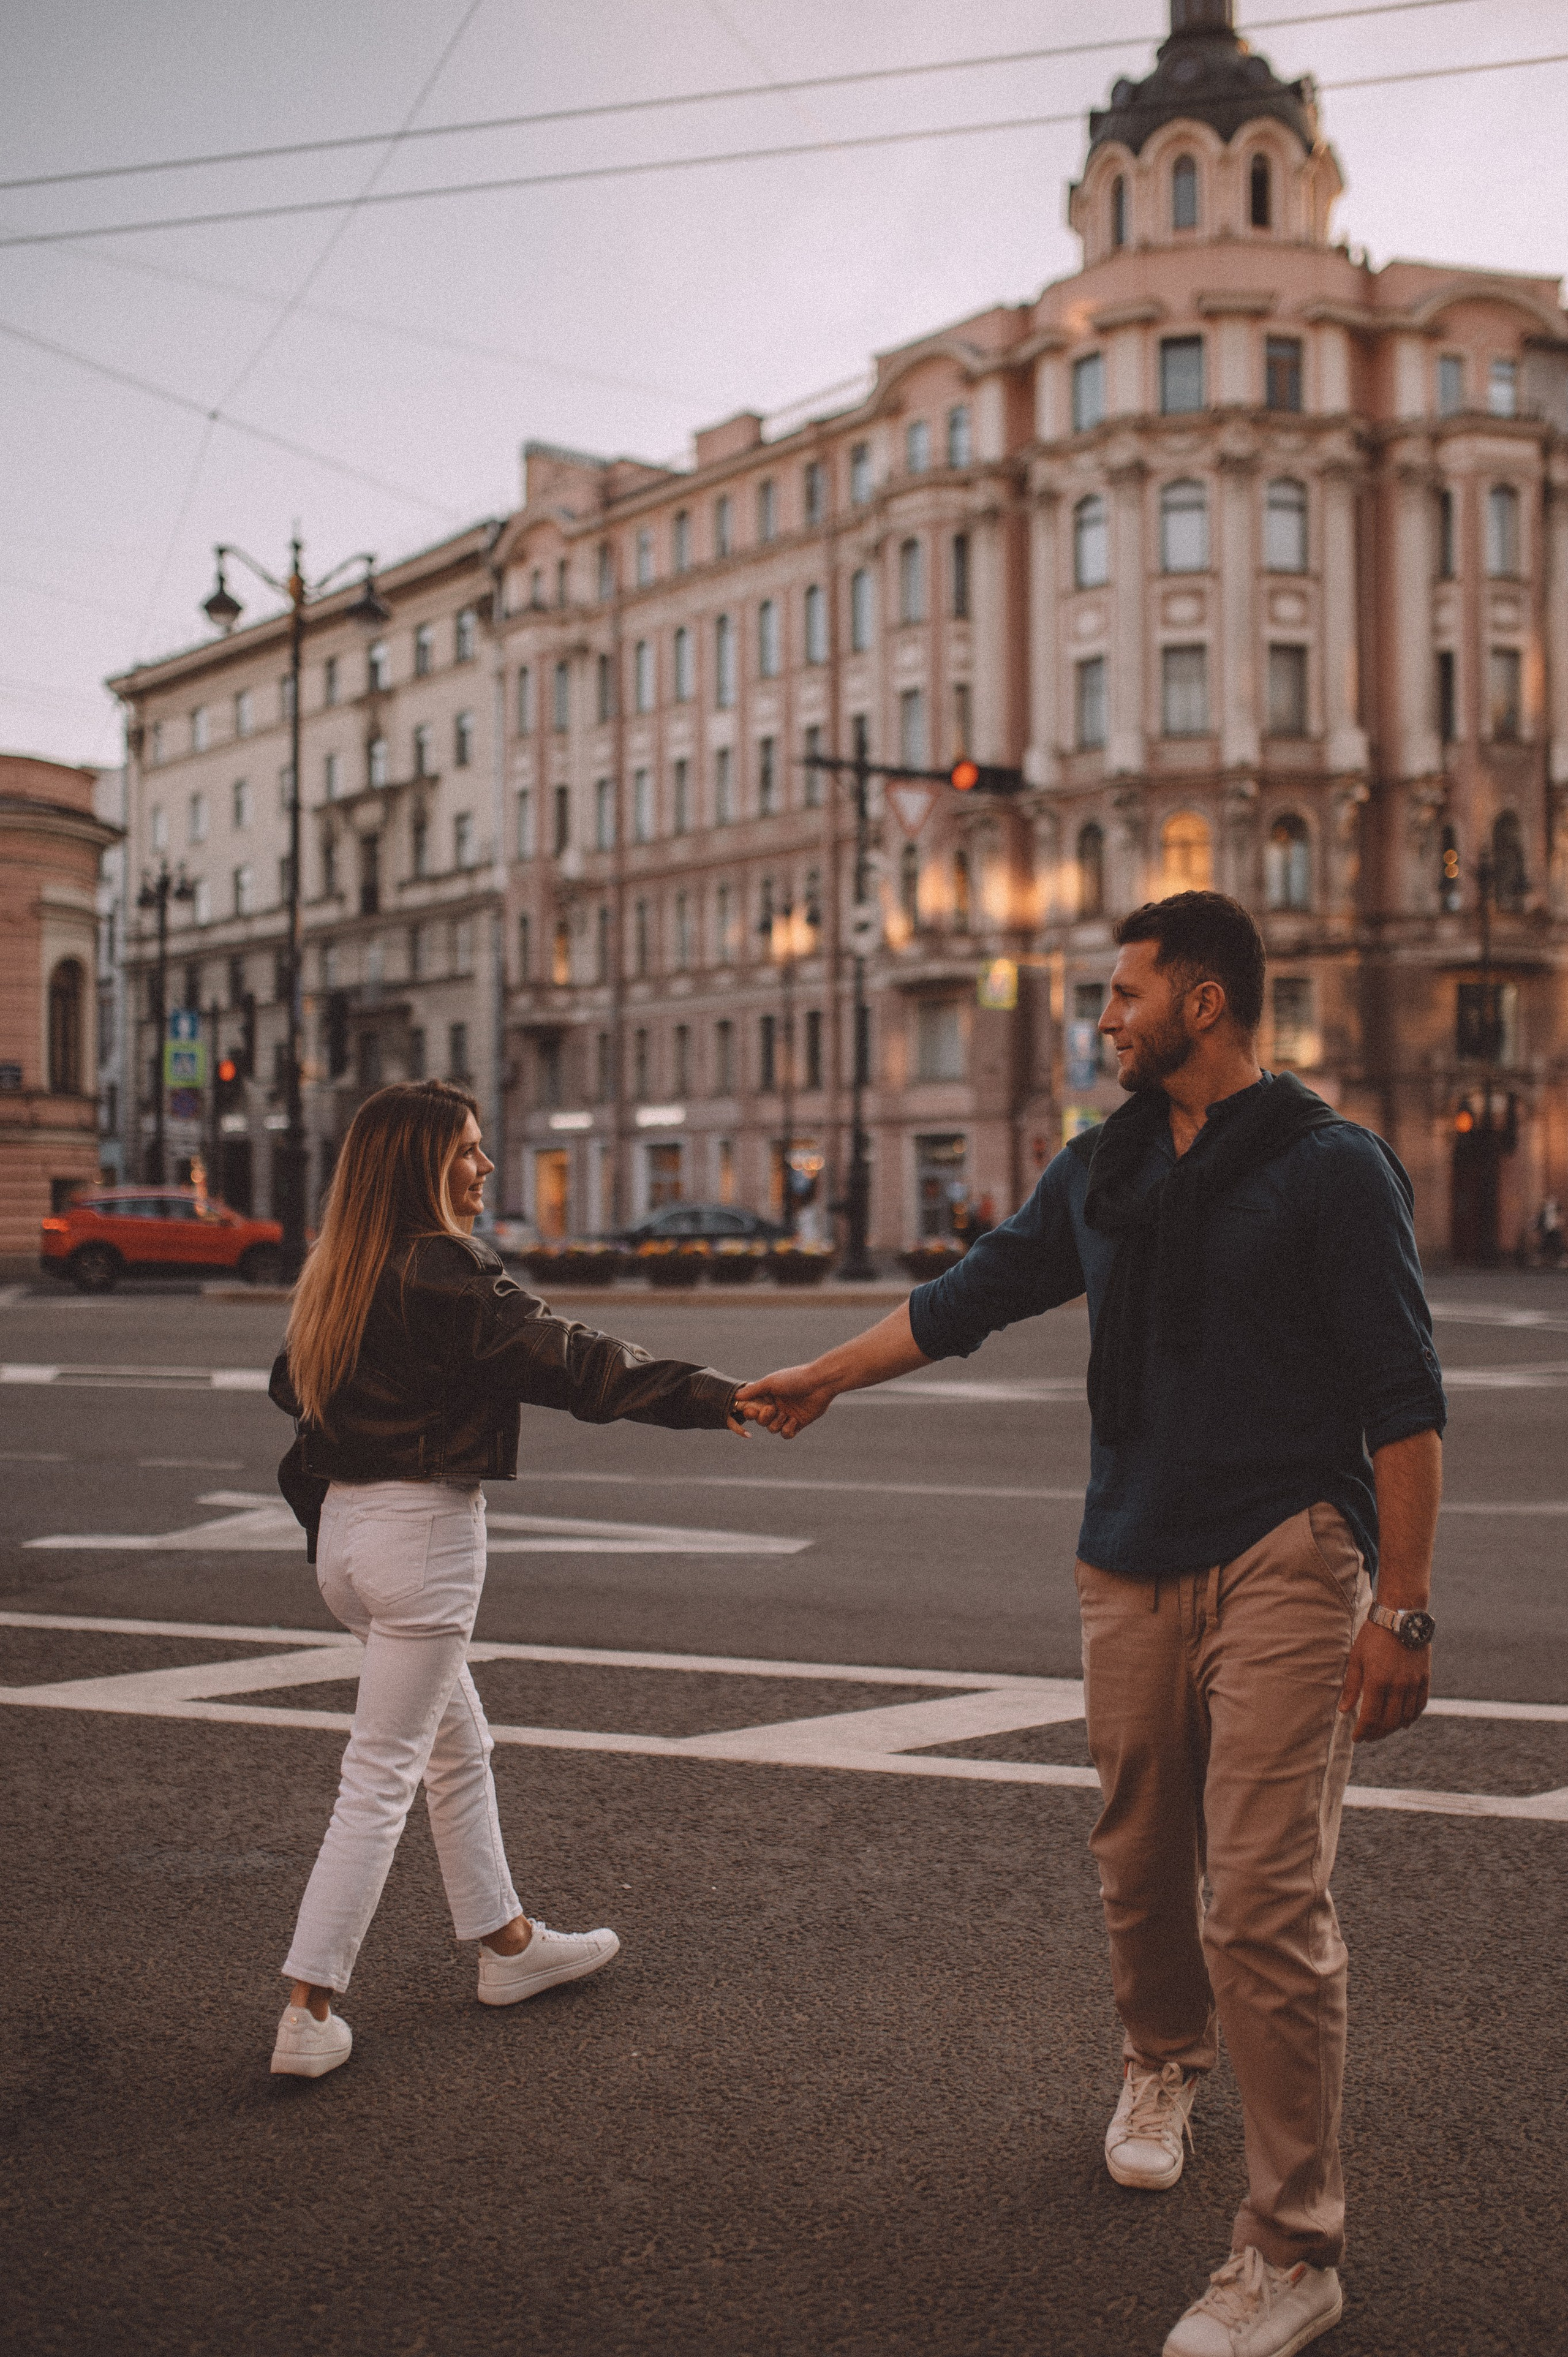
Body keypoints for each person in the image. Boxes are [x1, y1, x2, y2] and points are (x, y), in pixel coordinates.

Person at [738, 893, 1446, 2357]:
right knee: (1134, 1854)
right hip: (1125, 1554)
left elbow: (1405, 1403)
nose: (1101, 1018)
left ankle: (1292, 2245)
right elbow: (968, 1296)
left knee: (1261, 1901)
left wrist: (1405, 1611)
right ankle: (1159, 2061)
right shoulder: (1103, 1167)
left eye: (1122, 995)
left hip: (1286, 1557)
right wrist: (825, 1371)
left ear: (1201, 1003)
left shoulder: (1329, 1170)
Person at [269, 1079, 759, 2081]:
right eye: (469, 1151)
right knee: (379, 1777)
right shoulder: (445, 1269)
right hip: (421, 1538)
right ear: (421, 1165)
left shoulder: (340, 1267)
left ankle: (507, 1946)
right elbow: (574, 1362)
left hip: (347, 1544)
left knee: (459, 1745)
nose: (486, 1168)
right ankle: (307, 2009)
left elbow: (292, 1384)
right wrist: (724, 1399)